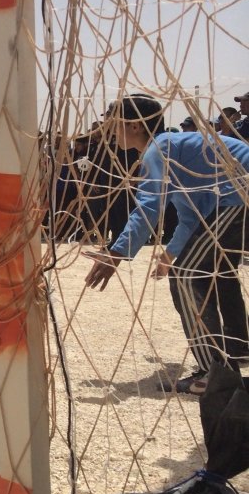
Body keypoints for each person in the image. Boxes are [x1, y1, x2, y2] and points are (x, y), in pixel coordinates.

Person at [84, 94, 249, 395]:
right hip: (232, 199)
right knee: (218, 273)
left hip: (237, 198)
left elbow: (148, 208)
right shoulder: (176, 149)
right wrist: (171, 253)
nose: (108, 131)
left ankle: (212, 371)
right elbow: (190, 215)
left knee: (187, 276)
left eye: (113, 123)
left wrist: (117, 253)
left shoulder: (158, 149)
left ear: (134, 125)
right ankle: (237, 349)